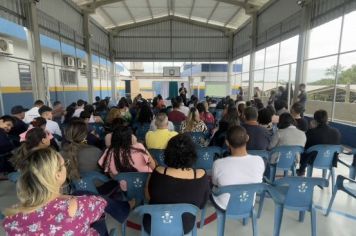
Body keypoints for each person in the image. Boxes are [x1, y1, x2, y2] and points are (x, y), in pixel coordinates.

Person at [2, 148, 107, 236]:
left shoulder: (10, 218)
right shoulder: (77, 205)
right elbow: (102, 204)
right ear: (57, 174)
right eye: (64, 164)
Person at [144, 134, 210, 234]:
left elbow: (148, 197)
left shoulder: (157, 172)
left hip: (154, 224)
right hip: (185, 225)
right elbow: (201, 205)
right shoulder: (201, 175)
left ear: (168, 154)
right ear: (192, 154)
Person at [211, 125, 265, 210]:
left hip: (224, 205)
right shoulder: (259, 160)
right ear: (247, 138)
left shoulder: (218, 164)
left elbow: (215, 183)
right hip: (249, 203)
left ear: (227, 142)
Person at [297, 110, 341, 176]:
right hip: (331, 160)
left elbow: (305, 147)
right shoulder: (336, 132)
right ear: (327, 119)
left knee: (303, 151)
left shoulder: (311, 132)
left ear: (314, 120)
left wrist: (311, 129)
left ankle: (302, 170)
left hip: (313, 161)